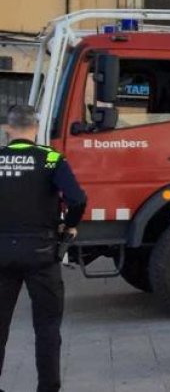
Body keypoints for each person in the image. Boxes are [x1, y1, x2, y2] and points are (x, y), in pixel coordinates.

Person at [0, 105, 87, 392]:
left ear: (7, 129)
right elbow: (76, 199)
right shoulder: (50, 159)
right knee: (47, 327)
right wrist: (69, 226)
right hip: (42, 253)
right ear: (36, 130)